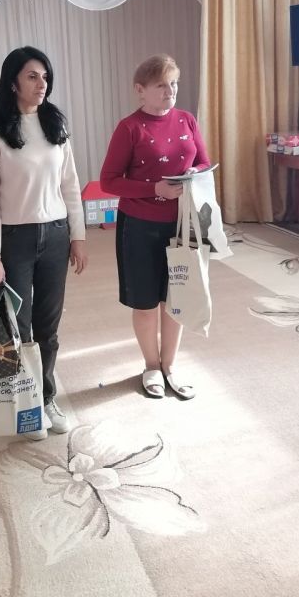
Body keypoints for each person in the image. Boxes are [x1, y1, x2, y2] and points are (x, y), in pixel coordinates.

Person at [0, 46, 88, 440]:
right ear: (13, 82)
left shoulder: (55, 124)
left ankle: (46, 397)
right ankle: (24, 404)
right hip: (15, 239)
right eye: (32, 76)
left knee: (48, 326)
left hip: (55, 234)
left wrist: (78, 236)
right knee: (17, 326)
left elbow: (70, 184)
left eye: (45, 76)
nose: (42, 84)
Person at [100, 54, 210, 400]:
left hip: (181, 226)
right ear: (140, 89)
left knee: (175, 299)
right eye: (161, 85)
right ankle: (151, 365)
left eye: (173, 83)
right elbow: (109, 181)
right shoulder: (129, 128)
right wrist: (155, 189)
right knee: (146, 302)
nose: (170, 90)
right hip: (139, 226)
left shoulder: (187, 120)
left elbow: (204, 161)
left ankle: (170, 365)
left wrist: (194, 172)